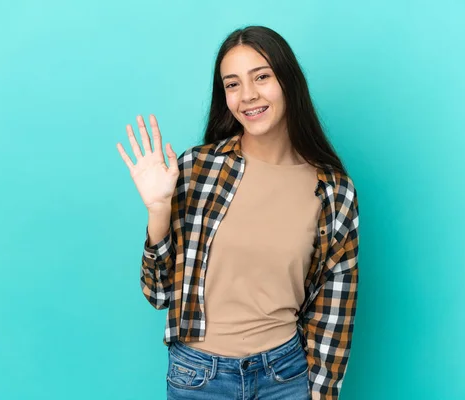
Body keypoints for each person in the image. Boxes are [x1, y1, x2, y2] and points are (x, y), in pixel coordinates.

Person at [117, 25, 359, 400]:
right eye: (232, 84)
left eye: (261, 76)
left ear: (288, 81)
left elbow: (334, 306)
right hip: (198, 378)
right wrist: (158, 210)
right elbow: (158, 292)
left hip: (285, 377)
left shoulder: (332, 190)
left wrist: (322, 394)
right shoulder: (197, 169)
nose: (248, 95)